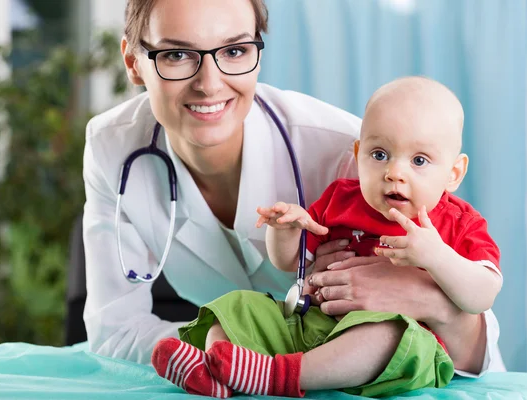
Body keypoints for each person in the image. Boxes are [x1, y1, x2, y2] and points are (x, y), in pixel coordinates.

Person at [82, 0, 504, 390]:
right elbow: (116, 329)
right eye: (176, 55)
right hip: (255, 360)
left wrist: (428, 300)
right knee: (228, 312)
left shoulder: (359, 157)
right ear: (133, 62)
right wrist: (235, 352)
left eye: (233, 51)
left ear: (257, 55)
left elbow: (470, 330)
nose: (209, 84)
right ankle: (216, 365)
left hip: (376, 362)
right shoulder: (112, 147)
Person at [150, 77, 502, 398]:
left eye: (420, 160)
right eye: (379, 155)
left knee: (386, 336)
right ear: (357, 154)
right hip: (310, 327)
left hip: (395, 344)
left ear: (454, 173)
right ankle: (215, 372)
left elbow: (482, 294)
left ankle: (278, 376)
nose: (395, 172)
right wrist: (286, 231)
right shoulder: (341, 198)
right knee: (237, 306)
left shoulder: (458, 222)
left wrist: (436, 256)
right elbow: (289, 262)